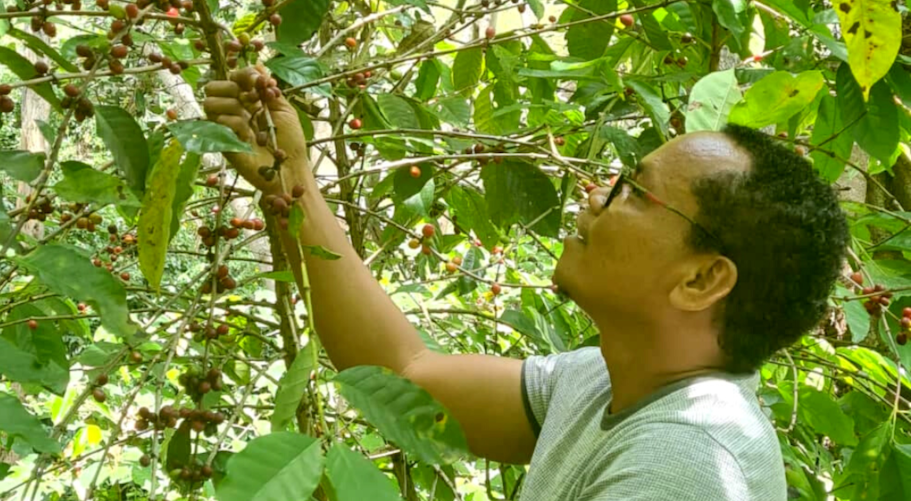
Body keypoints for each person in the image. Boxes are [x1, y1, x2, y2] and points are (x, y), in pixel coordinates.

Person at [203, 70, 849, 501]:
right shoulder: (608, 381)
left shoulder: (681, 465)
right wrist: (291, 184)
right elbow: (404, 371)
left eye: (632, 191)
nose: (596, 193)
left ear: (703, 278)